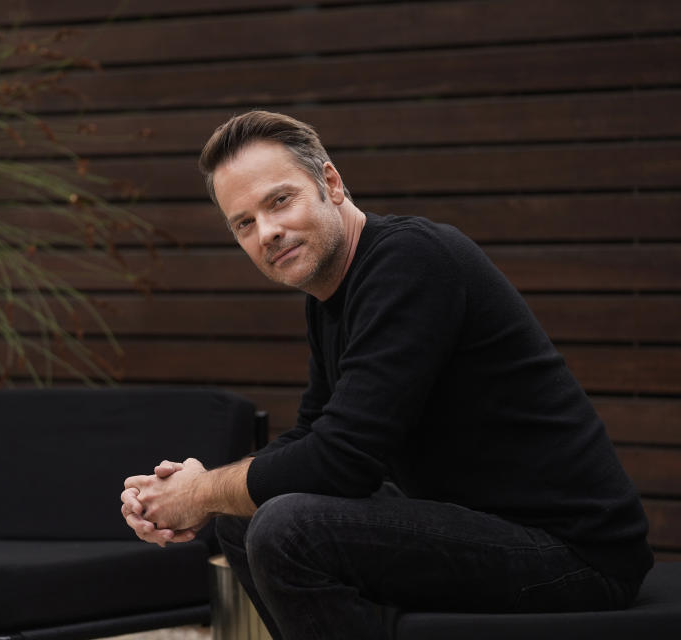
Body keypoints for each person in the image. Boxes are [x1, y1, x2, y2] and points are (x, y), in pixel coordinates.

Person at [119, 110, 653, 639]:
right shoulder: (331, 292)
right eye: (244, 223)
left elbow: (343, 462)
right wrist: (197, 493)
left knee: (287, 529)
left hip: (574, 553)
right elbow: (314, 435)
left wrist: (203, 491)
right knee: (246, 521)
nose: (269, 232)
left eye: (279, 200)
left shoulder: (411, 260)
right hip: (476, 525)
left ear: (330, 181)